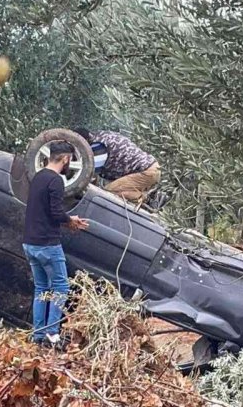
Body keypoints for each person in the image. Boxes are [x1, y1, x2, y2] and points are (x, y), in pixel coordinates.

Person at [23, 141, 89, 347]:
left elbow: (45, 210)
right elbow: (56, 212)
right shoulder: (56, 180)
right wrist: (71, 222)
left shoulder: (38, 177)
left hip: (30, 243)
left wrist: (67, 218)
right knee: (61, 286)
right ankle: (52, 333)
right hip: (47, 244)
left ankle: (39, 335)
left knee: (41, 288)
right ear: (66, 158)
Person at [73, 127, 160, 204]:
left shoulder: (98, 146)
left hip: (146, 170)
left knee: (109, 192)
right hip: (150, 168)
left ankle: (147, 198)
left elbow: (90, 174)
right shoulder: (101, 136)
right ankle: (150, 195)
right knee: (114, 189)